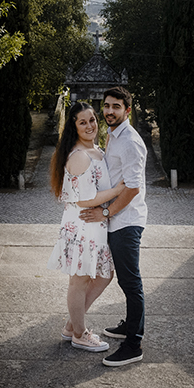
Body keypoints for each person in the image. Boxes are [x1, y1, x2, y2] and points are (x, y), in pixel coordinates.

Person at [47, 101, 127, 353]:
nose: (90, 125)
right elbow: (83, 198)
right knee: (80, 280)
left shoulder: (96, 151)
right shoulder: (80, 156)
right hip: (82, 225)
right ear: (74, 126)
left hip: (95, 225)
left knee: (104, 275)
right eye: (83, 122)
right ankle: (80, 334)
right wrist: (118, 190)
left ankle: (72, 325)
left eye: (92, 120)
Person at [79, 86, 147, 366]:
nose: (109, 111)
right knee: (123, 278)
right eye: (106, 106)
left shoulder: (130, 141)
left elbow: (132, 188)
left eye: (116, 106)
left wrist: (105, 212)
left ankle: (134, 344)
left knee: (131, 282)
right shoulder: (113, 135)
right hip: (116, 220)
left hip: (126, 222)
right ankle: (128, 326)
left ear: (127, 110)